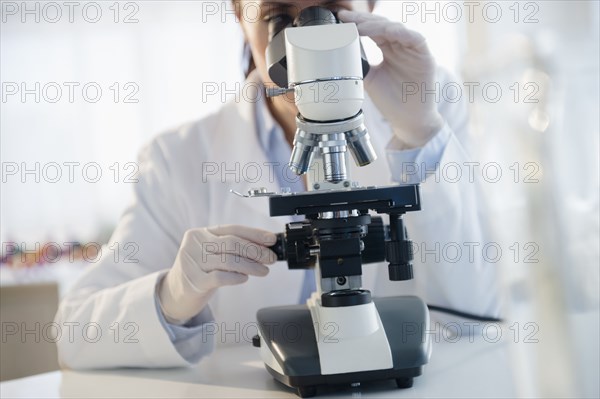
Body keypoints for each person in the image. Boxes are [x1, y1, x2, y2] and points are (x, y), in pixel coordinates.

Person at [55, 0, 501, 369]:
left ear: (368, 9)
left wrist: (419, 130)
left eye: (332, 14)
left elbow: (479, 312)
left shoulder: (431, 98)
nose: (306, 46)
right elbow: (75, 334)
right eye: (279, 20)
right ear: (238, 15)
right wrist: (174, 293)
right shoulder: (178, 157)